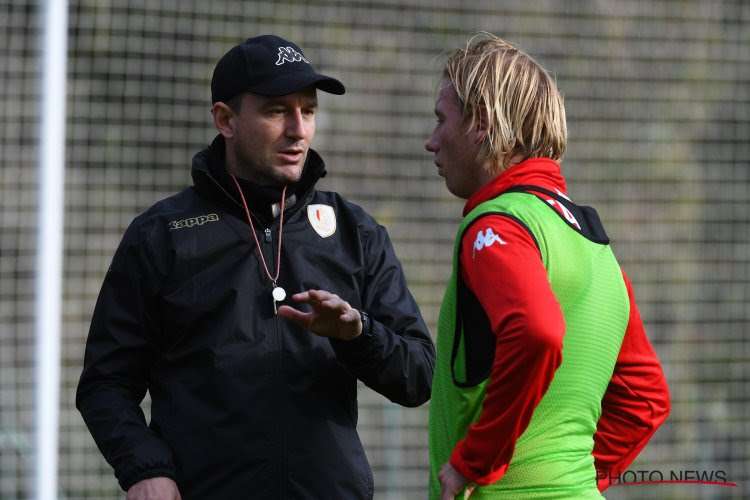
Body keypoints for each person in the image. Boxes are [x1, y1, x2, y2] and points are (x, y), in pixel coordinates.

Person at [76, 34, 435, 500]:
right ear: (225, 119)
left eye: (308, 110)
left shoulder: (355, 231)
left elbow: (419, 375)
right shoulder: (160, 234)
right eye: (276, 110)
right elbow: (106, 382)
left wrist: (357, 333)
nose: (298, 129)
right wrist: (145, 469)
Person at [425, 34, 670, 499]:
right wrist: (567, 481)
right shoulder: (594, 243)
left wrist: (476, 462)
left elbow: (537, 330)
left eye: (442, 120)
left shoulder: (494, 226)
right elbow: (646, 398)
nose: (431, 141)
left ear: (481, 124)